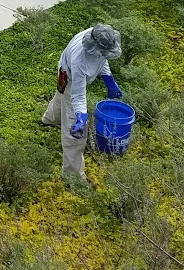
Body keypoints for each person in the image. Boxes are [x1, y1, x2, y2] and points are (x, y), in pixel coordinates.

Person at [41, 24, 123, 178]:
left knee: (62, 97)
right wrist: (80, 117)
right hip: (70, 78)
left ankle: (49, 119)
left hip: (65, 69)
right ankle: (72, 175)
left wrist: (110, 81)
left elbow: (102, 58)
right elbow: (78, 96)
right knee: (75, 133)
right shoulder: (80, 60)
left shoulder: (98, 36)